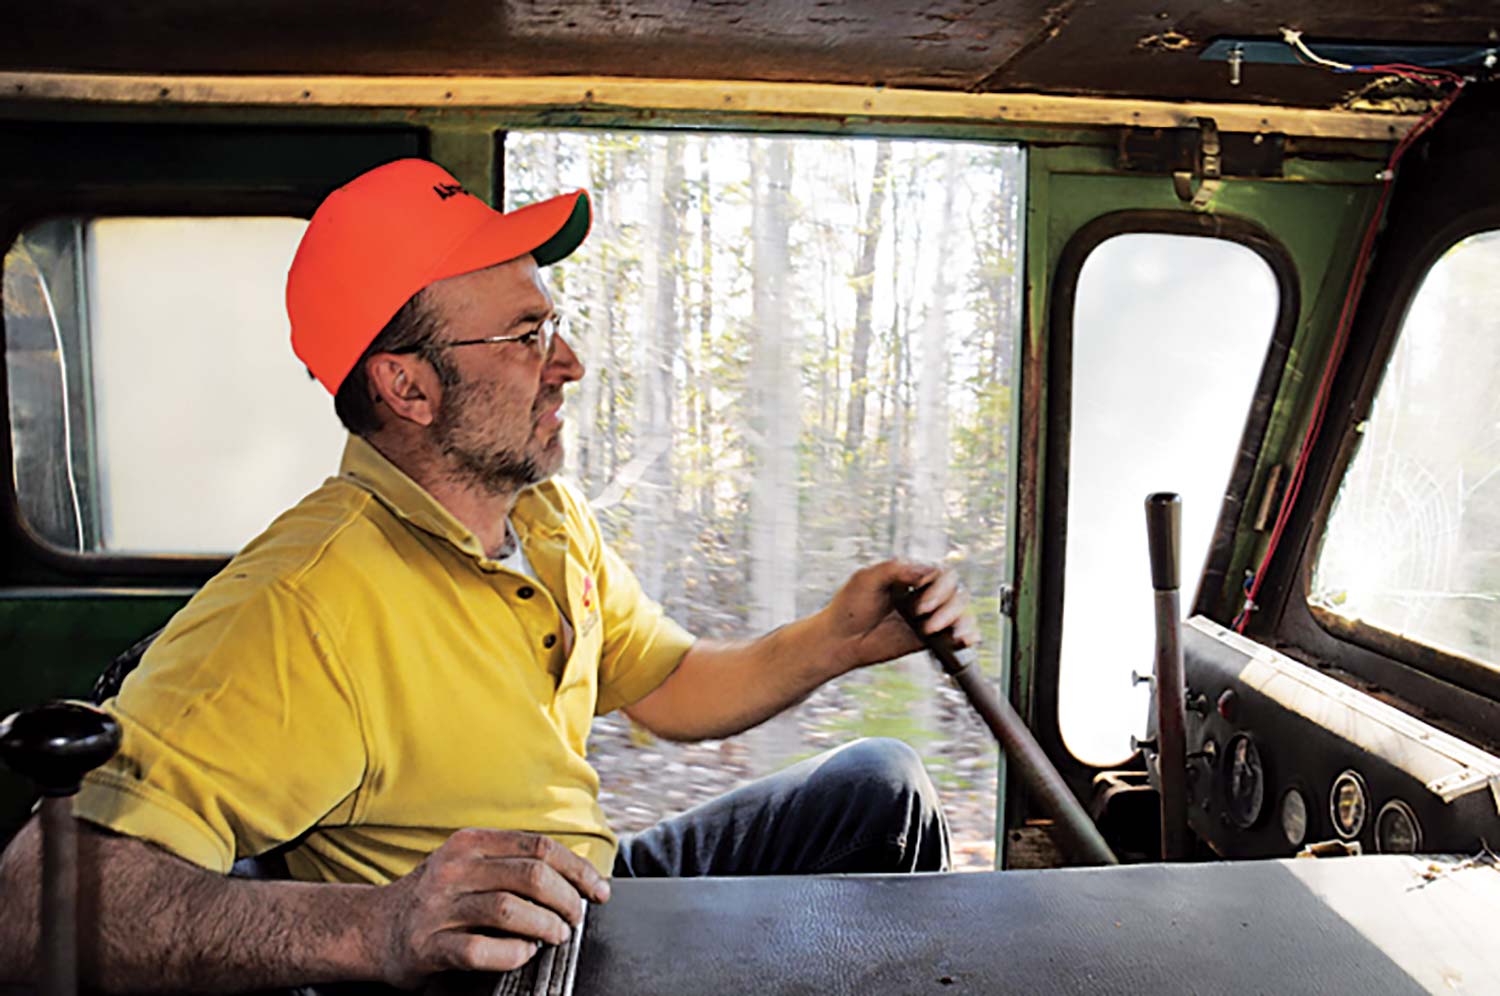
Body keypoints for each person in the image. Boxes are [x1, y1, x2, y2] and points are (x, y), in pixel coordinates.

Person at [0, 158, 978, 992]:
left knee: (879, 788)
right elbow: (40, 904)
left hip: (583, 889)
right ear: (408, 386)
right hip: (504, 967)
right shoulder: (302, 605)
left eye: (553, 326)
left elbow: (667, 685)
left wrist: (835, 643)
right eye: (526, 337)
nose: (571, 364)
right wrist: (377, 929)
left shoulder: (543, 518)